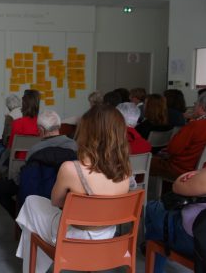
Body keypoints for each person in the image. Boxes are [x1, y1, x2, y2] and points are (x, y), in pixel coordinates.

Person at [16, 104, 132, 273]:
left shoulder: (71, 168)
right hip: (108, 236)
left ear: (87, 133)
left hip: (74, 237)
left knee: (30, 204)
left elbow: (56, 201)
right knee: (32, 216)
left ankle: (32, 269)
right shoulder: (126, 171)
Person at [145, 116, 206, 273]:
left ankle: (154, 257)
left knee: (152, 208)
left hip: (200, 240)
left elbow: (178, 186)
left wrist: (197, 172)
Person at [0, 110, 77, 217]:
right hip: (64, 195)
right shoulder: (74, 146)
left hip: (39, 193)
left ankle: (20, 217)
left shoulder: (36, 149)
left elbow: (25, 176)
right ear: (58, 126)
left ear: (41, 129)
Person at [151, 91, 206, 180]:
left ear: (202, 107)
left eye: (195, 104)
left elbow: (172, 149)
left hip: (183, 170)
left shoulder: (195, 125)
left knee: (147, 162)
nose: (194, 107)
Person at [0, 90, 41, 181]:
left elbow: (9, 147)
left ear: (24, 104)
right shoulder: (41, 124)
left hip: (16, 162)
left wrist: (1, 161)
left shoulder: (17, 123)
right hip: (35, 161)